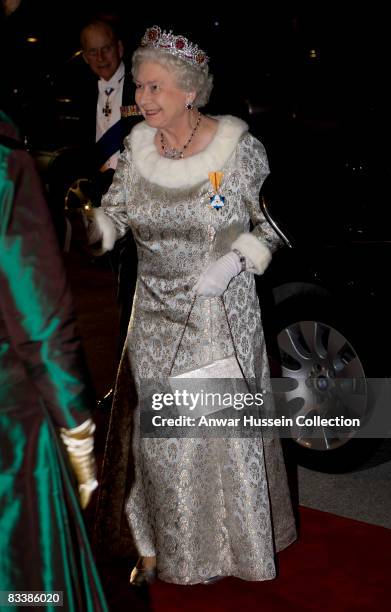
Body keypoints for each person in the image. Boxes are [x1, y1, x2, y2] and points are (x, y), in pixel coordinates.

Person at [93, 25, 296, 585]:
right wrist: (93, 226)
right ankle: (160, 543)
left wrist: (236, 261)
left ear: (189, 91)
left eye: (155, 87)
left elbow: (272, 224)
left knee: (200, 437)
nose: (142, 98)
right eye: (139, 85)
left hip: (217, 313)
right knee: (156, 440)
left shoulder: (236, 149)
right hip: (152, 313)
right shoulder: (136, 147)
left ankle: (221, 551)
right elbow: (116, 213)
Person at [0, 111, 108, 611]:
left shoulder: (225, 150)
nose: (149, 96)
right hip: (11, 423)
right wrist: (78, 433)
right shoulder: (5, 164)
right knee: (27, 583)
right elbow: (39, 318)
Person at [78, 17, 141, 366]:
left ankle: (130, 360)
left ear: (119, 47)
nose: (101, 57)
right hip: (105, 193)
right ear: (85, 57)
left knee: (135, 280)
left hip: (139, 192)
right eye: (93, 52)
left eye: (106, 48)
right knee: (118, 276)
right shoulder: (79, 90)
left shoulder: (141, 83)